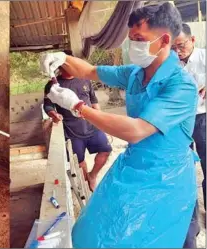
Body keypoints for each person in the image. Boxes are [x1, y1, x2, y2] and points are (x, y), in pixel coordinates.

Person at [41, 3, 199, 247]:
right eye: (131, 38)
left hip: (166, 177)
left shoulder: (181, 86)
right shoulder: (135, 73)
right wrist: (63, 58)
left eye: (139, 38)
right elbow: (91, 70)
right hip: (133, 165)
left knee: (154, 239)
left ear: (164, 39)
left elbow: (136, 130)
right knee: (95, 233)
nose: (133, 45)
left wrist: (78, 107)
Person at [43, 50, 111, 191]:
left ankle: (92, 175)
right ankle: (86, 183)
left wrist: (102, 121)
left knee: (105, 151)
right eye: (63, 64)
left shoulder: (85, 79)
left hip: (92, 126)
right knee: (79, 162)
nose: (67, 67)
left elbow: (93, 100)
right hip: (72, 131)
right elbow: (48, 104)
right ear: (58, 66)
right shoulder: (53, 85)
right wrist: (53, 114)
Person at [172, 22, 206, 248]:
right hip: (179, 122)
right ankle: (190, 222)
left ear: (192, 40)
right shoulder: (171, 63)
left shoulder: (204, 58)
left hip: (203, 118)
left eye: (181, 45)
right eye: (173, 47)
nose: (178, 51)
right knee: (183, 169)